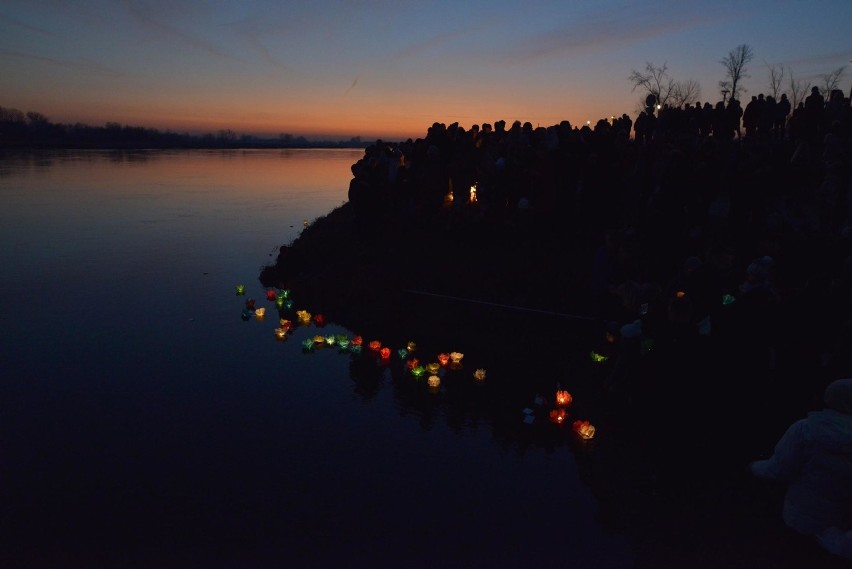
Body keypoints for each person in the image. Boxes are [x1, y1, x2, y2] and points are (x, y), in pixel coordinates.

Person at [750, 378, 852, 560]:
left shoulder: (804, 429)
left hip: (800, 520)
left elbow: (779, 469)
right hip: (844, 523)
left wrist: (753, 467)